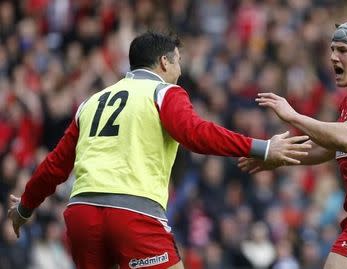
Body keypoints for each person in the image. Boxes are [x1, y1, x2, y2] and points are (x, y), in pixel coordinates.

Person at [7, 31, 311, 269]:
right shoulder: (164, 92)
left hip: (81, 216)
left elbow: (54, 166)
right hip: (133, 215)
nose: (180, 69)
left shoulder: (92, 101)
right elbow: (195, 133)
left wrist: (24, 208)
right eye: (178, 61)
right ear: (164, 62)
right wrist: (263, 147)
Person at [239, 19, 347, 269]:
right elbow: (329, 147)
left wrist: (294, 116)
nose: (333, 57)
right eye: (332, 50)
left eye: (343, 50)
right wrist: (277, 155)